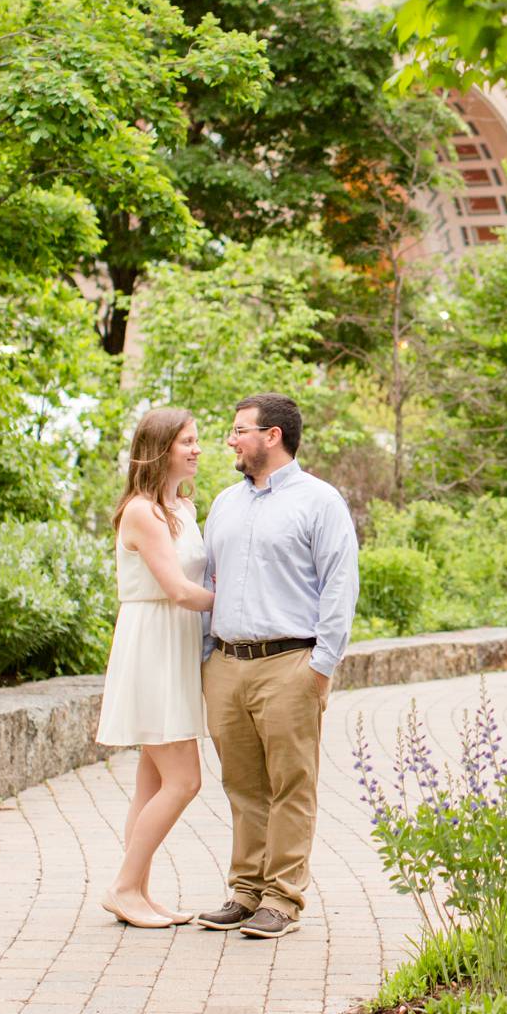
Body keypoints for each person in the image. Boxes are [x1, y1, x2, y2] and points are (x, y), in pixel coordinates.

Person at [193, 393, 359, 939]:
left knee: (292, 784)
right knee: (242, 785)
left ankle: (282, 899)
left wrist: (322, 665)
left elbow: (340, 585)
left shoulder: (320, 501)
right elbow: (208, 583)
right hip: (227, 663)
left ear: (273, 436)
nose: (230, 440)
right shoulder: (224, 503)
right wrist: (205, 659)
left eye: (240, 430)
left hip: (291, 662)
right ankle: (245, 892)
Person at [94, 406, 214, 929]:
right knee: (185, 780)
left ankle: (138, 890)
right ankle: (122, 887)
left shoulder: (183, 507)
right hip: (153, 644)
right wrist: (244, 608)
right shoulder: (141, 510)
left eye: (197, 440)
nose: (196, 449)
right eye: (186, 441)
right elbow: (179, 590)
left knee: (151, 782)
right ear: (160, 447)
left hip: (176, 644)